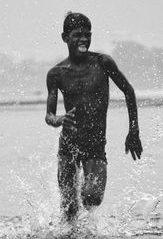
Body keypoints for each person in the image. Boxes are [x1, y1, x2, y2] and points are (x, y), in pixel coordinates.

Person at [45, 12, 143, 222]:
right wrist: (59, 119)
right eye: (77, 34)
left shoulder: (103, 63)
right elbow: (49, 116)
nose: (84, 39)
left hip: (95, 146)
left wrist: (133, 130)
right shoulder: (56, 73)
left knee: (92, 197)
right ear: (65, 37)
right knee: (69, 209)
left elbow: (128, 91)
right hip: (68, 146)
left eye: (87, 34)